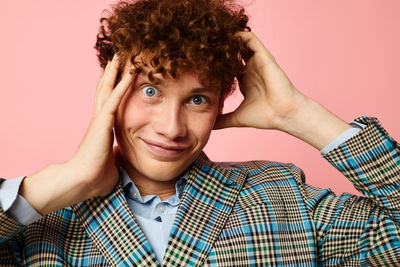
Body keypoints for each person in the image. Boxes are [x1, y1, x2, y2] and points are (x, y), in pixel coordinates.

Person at [1, 0, 399, 265]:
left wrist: (297, 113)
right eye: (150, 91)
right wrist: (68, 180)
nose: (172, 127)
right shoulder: (39, 219)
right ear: (110, 88)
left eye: (197, 100)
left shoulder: (281, 196)